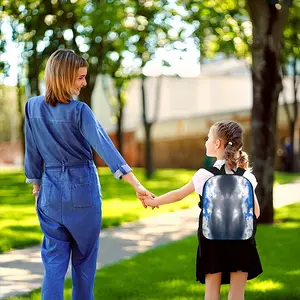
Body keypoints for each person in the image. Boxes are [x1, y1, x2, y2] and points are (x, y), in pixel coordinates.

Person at [24, 49, 154, 300]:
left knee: (53, 264)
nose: (84, 83)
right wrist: (136, 184)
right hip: (82, 191)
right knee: (83, 264)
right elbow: (106, 148)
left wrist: (37, 187)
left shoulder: (32, 107)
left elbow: (32, 152)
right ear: (64, 77)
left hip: (49, 193)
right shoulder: (79, 111)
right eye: (80, 78)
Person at [144, 120, 263, 300]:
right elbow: (256, 212)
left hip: (212, 243)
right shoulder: (247, 176)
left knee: (211, 294)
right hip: (242, 242)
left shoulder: (205, 175)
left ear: (217, 144)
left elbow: (178, 195)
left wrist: (154, 201)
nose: (206, 142)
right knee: (237, 295)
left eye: (208, 138)